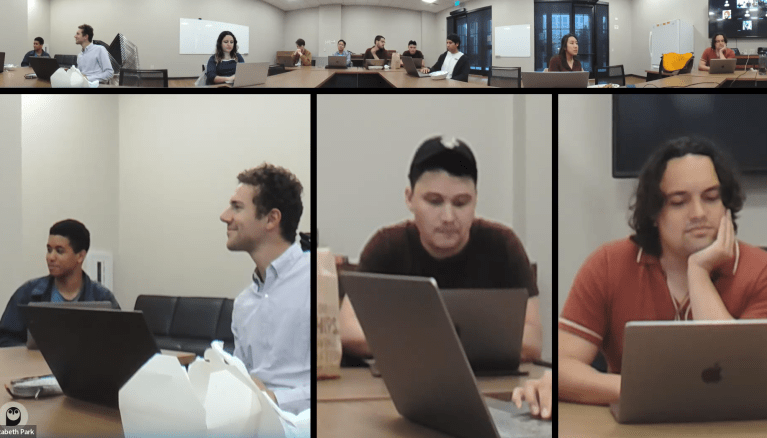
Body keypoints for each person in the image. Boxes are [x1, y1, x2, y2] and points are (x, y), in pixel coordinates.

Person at [559, 136, 767, 405]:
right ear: (655, 213)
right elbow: (562, 367)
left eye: (711, 198)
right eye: (679, 202)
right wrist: (640, 389)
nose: (698, 213)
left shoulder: (759, 269)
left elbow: (739, 380)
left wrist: (699, 272)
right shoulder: (608, 263)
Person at [339, 136, 543, 362]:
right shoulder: (386, 247)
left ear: (475, 200)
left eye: (461, 203)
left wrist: (410, 342)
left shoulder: (503, 246)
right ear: (409, 198)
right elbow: (348, 330)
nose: (448, 217)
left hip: (491, 381)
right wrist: (445, 346)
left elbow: (532, 341)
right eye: (434, 201)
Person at [220, 163, 310, 415]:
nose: (224, 216)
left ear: (271, 219)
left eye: (237, 207)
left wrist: (274, 398)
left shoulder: (316, 282)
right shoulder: (244, 304)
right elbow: (244, 381)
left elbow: (332, 384)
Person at [0, 220, 120, 347]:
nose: (50, 257)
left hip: (84, 366)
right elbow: (5, 340)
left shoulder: (102, 298)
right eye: (49, 250)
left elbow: (120, 343)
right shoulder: (28, 293)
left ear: (80, 256)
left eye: (59, 251)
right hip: (35, 366)